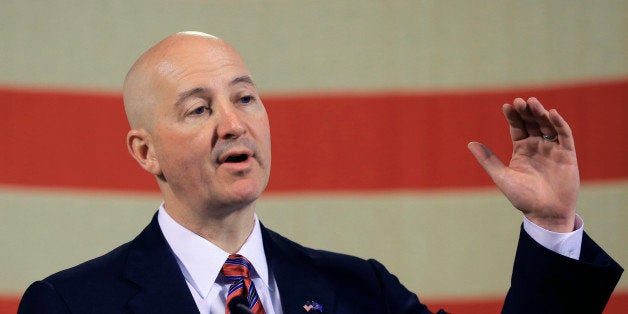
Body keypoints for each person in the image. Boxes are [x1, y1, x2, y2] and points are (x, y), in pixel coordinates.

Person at [18, 31, 622, 314]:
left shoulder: (363, 292)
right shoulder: (70, 304)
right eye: (199, 109)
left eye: (245, 98)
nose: (233, 124)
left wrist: (550, 222)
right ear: (145, 153)